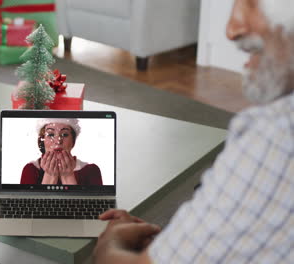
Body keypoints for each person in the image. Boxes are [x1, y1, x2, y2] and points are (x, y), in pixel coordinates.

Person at [94, 0, 294, 263]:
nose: (231, 29)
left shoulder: (276, 134)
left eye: (253, 2)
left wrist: (108, 246)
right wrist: (182, 239)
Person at [20, 118, 103, 185]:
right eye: (51, 135)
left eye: (64, 134)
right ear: (42, 141)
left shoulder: (90, 170)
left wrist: (68, 176)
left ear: (73, 141)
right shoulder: (31, 169)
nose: (58, 141)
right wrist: (50, 176)